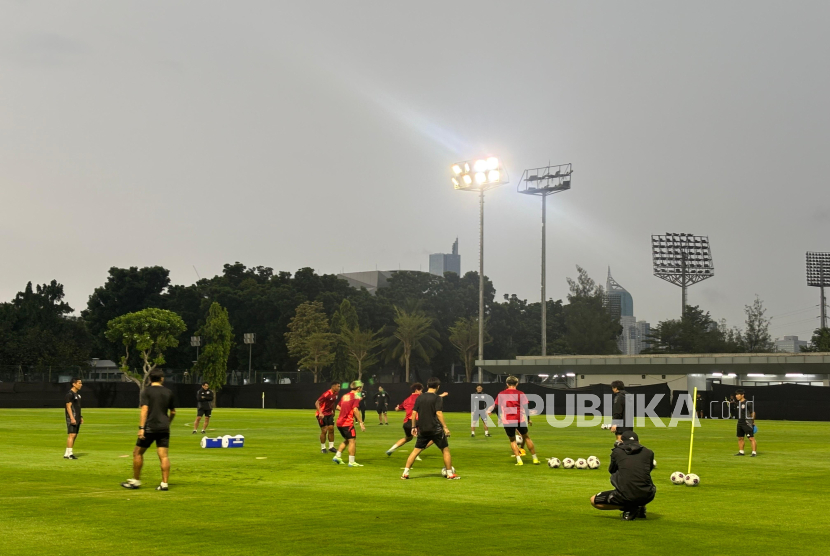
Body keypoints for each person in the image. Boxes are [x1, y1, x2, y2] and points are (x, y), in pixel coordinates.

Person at [121, 370, 176, 491]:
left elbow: (144, 409)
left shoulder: (146, 391)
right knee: (164, 456)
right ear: (162, 379)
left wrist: (141, 428)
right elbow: (173, 412)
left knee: (137, 453)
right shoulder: (168, 392)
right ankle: (164, 484)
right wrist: (168, 423)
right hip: (164, 428)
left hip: (150, 427)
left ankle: (135, 481)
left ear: (150, 379)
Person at [590, 431, 656, 521]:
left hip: (625, 495)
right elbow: (648, 470)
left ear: (621, 441)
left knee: (594, 501)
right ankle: (640, 506)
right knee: (640, 479)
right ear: (639, 441)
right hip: (648, 494)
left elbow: (612, 470)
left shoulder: (617, 452)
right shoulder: (649, 452)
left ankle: (630, 508)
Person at [401, 377, 458, 480]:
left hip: (423, 429)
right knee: (445, 450)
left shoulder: (420, 397)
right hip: (435, 429)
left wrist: (414, 427)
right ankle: (450, 474)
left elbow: (414, 413)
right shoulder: (437, 398)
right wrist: (445, 427)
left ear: (427, 386)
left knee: (415, 451)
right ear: (438, 387)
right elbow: (439, 413)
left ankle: (405, 473)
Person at [487, 376, 539, 465]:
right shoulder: (521, 393)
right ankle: (535, 459)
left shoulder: (501, 394)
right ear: (517, 384)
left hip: (508, 421)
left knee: (512, 440)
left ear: (507, 384)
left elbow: (496, 407)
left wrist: (499, 418)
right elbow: (526, 408)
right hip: (520, 419)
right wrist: (528, 419)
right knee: (526, 437)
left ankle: (519, 461)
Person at [386, 383, 447, 457]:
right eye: (421, 390)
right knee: (434, 437)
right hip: (416, 422)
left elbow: (398, 409)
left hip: (406, 423)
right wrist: (442, 395)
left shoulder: (406, 400)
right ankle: (417, 452)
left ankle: (391, 449)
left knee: (408, 438)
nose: (421, 392)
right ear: (416, 390)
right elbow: (431, 398)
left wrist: (397, 408)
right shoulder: (420, 397)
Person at [332, 381, 366, 467]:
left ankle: (337, 456)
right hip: (347, 422)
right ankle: (351, 461)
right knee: (352, 441)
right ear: (358, 388)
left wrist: (346, 411)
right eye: (361, 387)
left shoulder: (345, 395)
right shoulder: (356, 396)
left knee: (348, 439)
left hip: (339, 421)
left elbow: (338, 407)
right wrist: (361, 422)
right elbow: (355, 410)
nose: (361, 389)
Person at [315, 382, 341, 453]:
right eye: (338, 386)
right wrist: (320, 413)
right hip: (322, 414)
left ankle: (331, 447)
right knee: (324, 430)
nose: (339, 388)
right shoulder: (326, 394)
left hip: (329, 413)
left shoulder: (336, 394)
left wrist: (333, 411)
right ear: (333, 386)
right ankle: (323, 448)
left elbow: (332, 403)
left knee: (331, 429)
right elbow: (317, 402)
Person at [64, 378, 83, 459]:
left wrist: (80, 417)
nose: (81, 385)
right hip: (72, 417)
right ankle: (70, 454)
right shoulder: (70, 394)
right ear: (74, 384)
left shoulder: (77, 395)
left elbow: (77, 407)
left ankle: (67, 453)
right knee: (72, 435)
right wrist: (72, 418)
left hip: (77, 417)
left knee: (74, 435)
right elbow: (68, 407)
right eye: (79, 383)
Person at [734, 389, 757, 457]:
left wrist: (752, 422)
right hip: (740, 422)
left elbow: (753, 412)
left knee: (751, 438)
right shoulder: (738, 403)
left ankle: (754, 452)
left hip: (747, 422)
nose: (736, 396)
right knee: (740, 437)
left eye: (738, 395)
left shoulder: (748, 403)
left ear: (742, 395)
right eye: (736, 395)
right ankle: (741, 452)